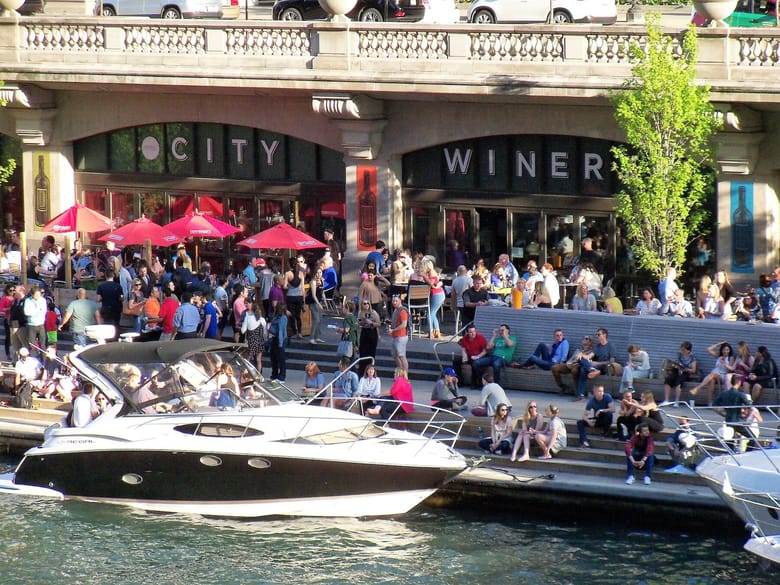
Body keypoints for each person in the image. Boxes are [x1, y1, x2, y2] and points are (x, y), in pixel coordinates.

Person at [572, 327, 620, 401]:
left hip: (604, 367)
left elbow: (611, 361)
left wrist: (597, 363)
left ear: (604, 335)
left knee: (583, 369)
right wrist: (581, 355)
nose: (597, 336)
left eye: (598, 334)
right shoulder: (598, 346)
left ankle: (592, 370)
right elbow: (589, 356)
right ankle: (581, 396)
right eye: (597, 335)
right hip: (594, 367)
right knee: (581, 365)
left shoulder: (611, 346)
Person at [690, 341, 736, 406]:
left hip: (723, 375)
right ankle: (710, 403)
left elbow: (729, 370)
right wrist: (719, 344)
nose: (725, 351)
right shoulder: (719, 356)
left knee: (712, 375)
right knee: (711, 381)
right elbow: (708, 349)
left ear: (729, 350)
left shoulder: (730, 358)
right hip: (715, 373)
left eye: (727, 350)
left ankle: (697, 388)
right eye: (724, 350)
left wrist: (724, 364)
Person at [660, 341, 698, 406]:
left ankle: (676, 401)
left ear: (688, 350)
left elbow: (693, 370)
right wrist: (675, 365)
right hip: (677, 371)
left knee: (679, 382)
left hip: (686, 373)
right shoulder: (679, 355)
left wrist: (686, 369)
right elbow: (677, 363)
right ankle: (666, 400)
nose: (682, 351)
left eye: (683, 350)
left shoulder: (692, 358)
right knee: (668, 380)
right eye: (681, 349)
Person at [454, 323, 489, 389]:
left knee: (475, 363)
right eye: (470, 332)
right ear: (467, 333)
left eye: (474, 331)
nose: (473, 334)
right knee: (456, 361)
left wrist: (477, 356)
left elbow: (485, 351)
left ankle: (476, 383)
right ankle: (460, 381)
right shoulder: (465, 338)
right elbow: (463, 349)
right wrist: (464, 356)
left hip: (480, 356)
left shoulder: (480, 337)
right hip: (470, 355)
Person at [241, 298, 266, 375]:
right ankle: (259, 376)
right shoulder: (262, 320)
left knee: (247, 359)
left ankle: (245, 374)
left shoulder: (248, 317)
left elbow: (243, 330)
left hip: (251, 340)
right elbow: (264, 332)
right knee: (258, 360)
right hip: (260, 341)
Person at [356, 299, 381, 377]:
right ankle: (361, 371)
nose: (366, 305)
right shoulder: (360, 313)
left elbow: (379, 323)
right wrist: (362, 322)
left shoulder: (373, 313)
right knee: (363, 352)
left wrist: (371, 323)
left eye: (367, 303)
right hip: (364, 331)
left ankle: (371, 371)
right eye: (364, 303)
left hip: (372, 332)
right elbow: (358, 323)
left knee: (371, 353)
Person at [96, 269, 124, 337]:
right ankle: (116, 338)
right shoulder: (118, 286)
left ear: (105, 276)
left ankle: (108, 339)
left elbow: (98, 298)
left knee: (107, 324)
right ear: (113, 276)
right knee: (116, 324)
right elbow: (121, 298)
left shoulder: (101, 286)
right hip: (116, 308)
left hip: (106, 308)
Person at [285, 256, 306, 339]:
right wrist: (303, 299)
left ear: (289, 264)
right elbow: (303, 288)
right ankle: (300, 333)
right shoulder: (301, 274)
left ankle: (294, 333)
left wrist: (289, 286)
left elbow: (284, 286)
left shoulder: (287, 274)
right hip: (299, 297)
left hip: (290, 296)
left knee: (291, 315)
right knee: (298, 315)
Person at [23, 284, 47, 354]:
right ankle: (32, 359)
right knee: (31, 345)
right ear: (32, 294)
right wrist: (37, 310)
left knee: (42, 344)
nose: (38, 297)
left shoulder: (43, 300)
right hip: (31, 325)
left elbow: (43, 312)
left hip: (40, 324)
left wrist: (34, 311)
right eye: (36, 295)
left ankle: (43, 362)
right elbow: (27, 312)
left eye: (39, 295)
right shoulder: (28, 300)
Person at [388, 294, 409, 372]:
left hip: (401, 336)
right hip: (395, 336)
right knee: (395, 355)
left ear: (400, 301)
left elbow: (404, 324)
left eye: (396, 301)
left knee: (402, 356)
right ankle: (400, 371)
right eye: (393, 301)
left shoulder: (402, 311)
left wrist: (393, 330)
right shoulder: (395, 310)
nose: (394, 302)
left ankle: (405, 375)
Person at [306, 265, 326, 344]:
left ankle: (317, 337)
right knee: (316, 320)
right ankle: (311, 338)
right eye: (317, 272)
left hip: (320, 301)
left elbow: (322, 292)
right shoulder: (313, 282)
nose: (319, 274)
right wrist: (318, 304)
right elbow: (314, 295)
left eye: (320, 272)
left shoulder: (321, 281)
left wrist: (325, 301)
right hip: (314, 303)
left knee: (320, 320)